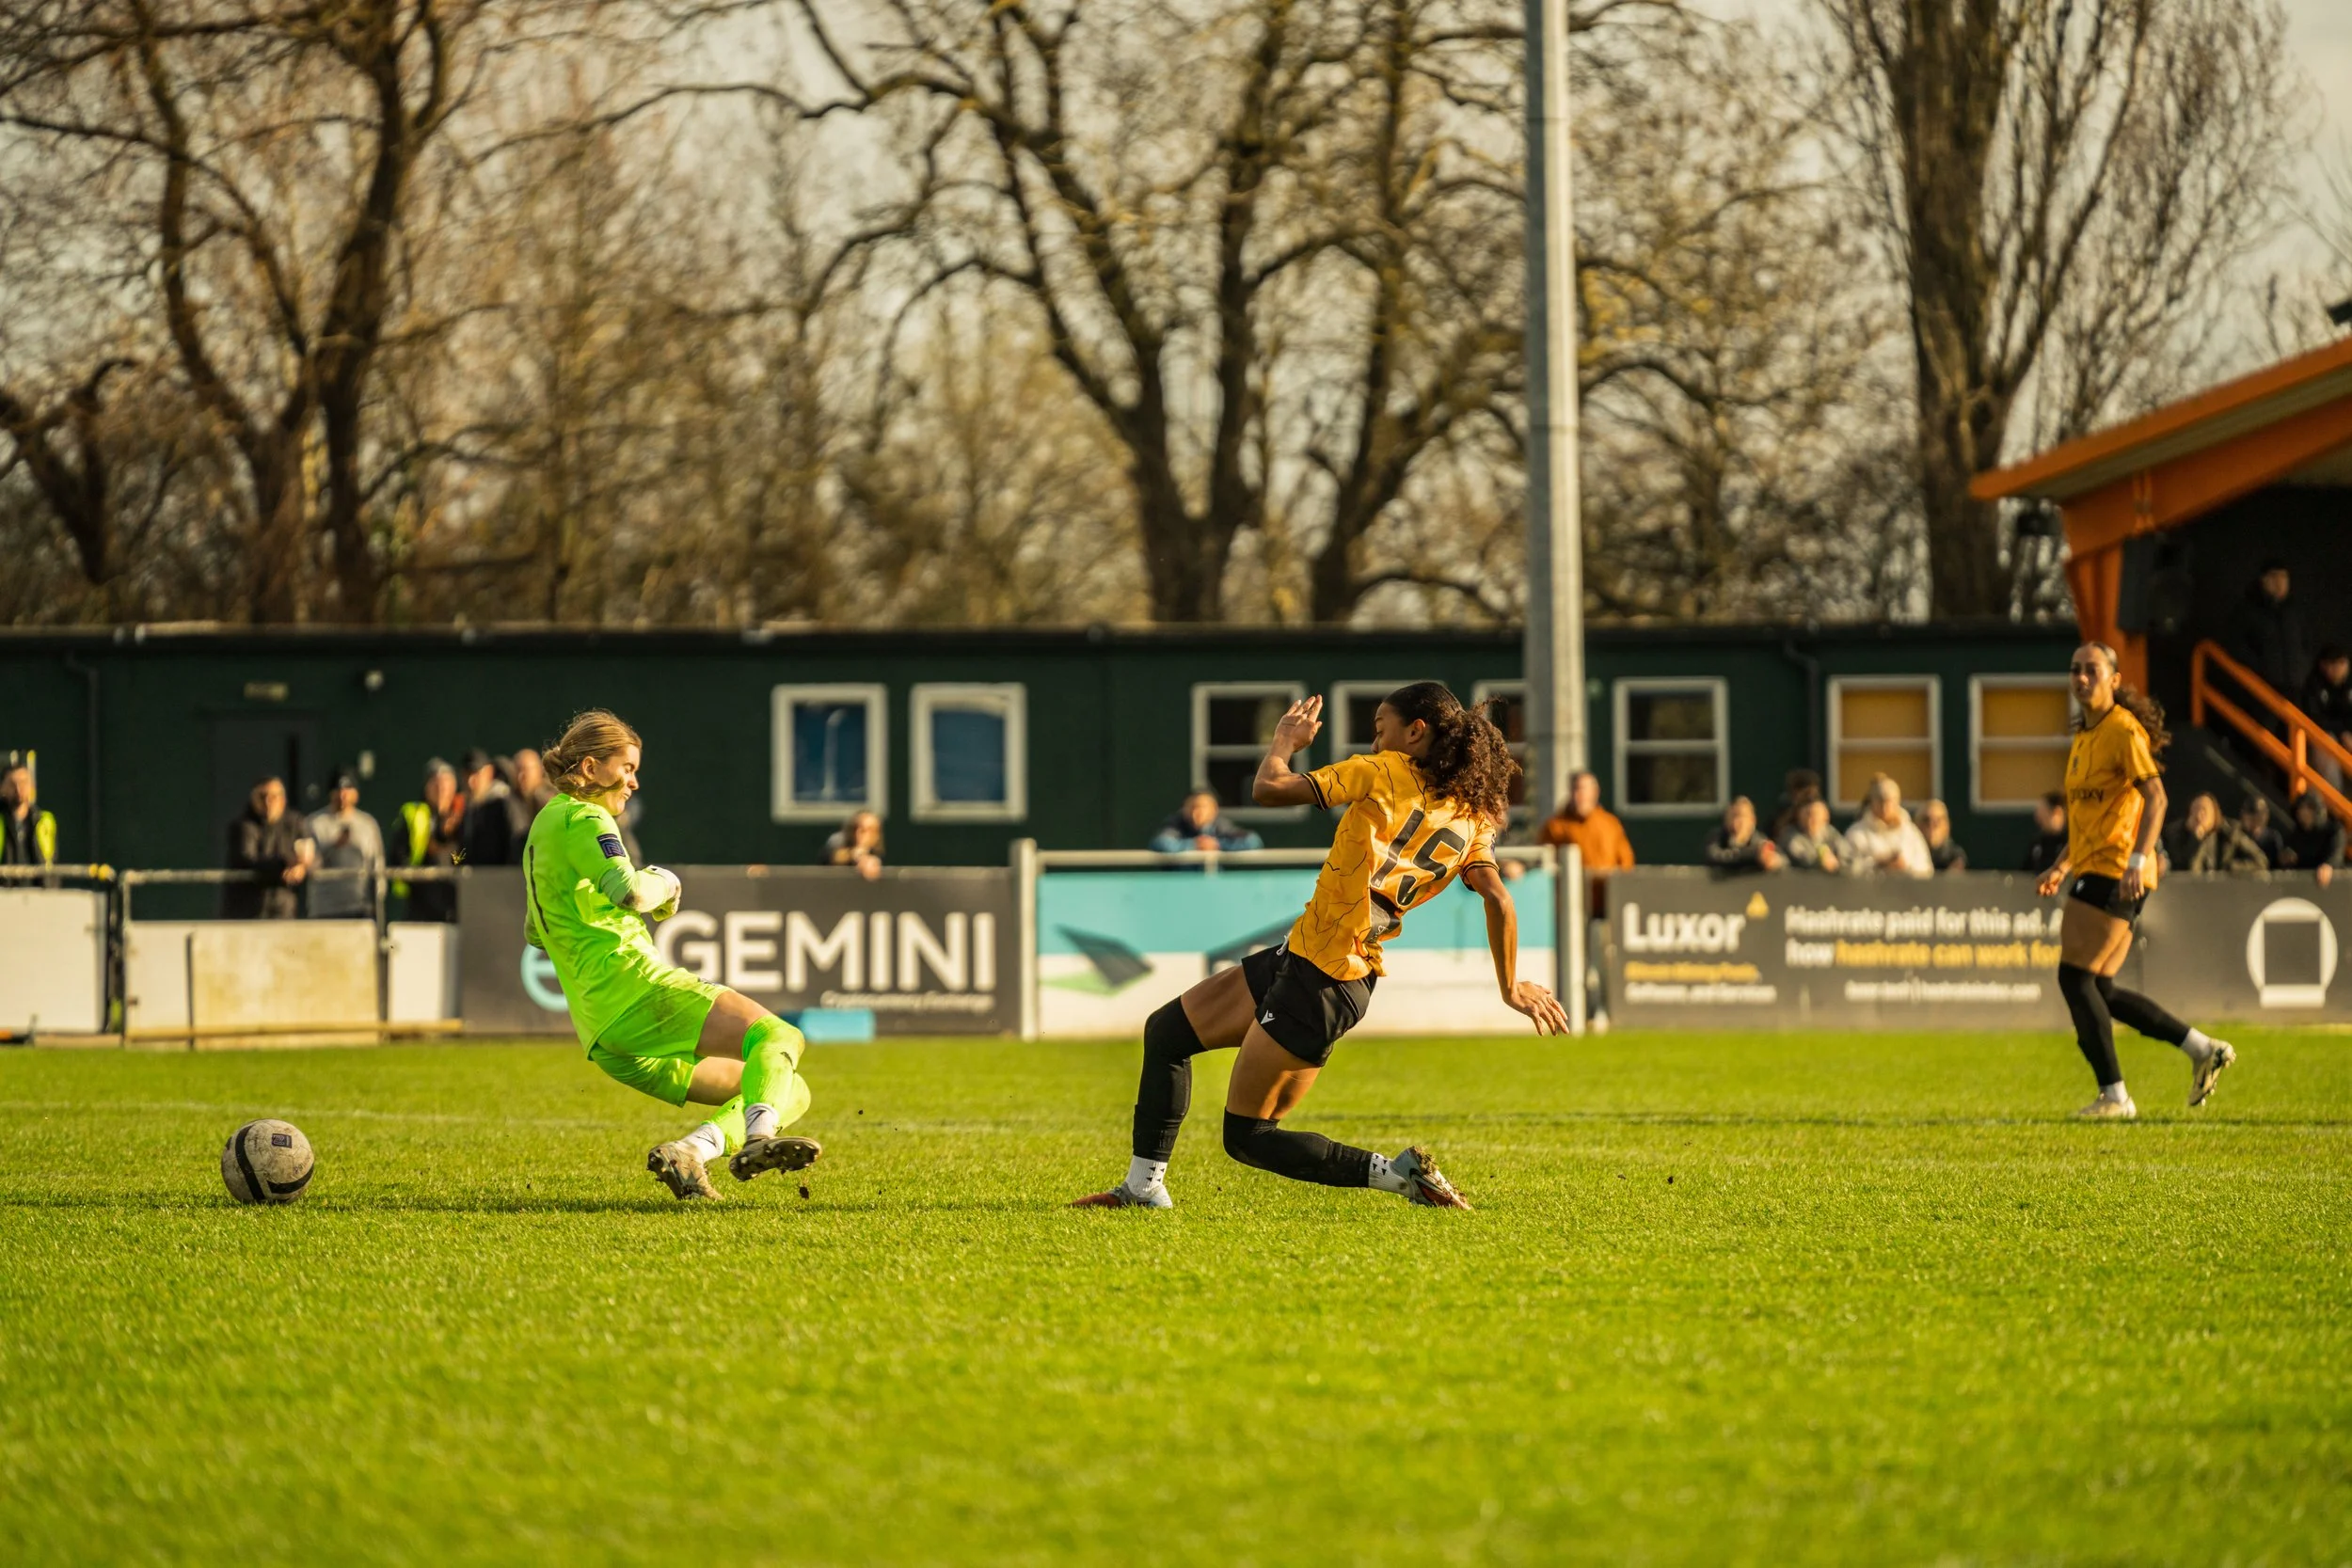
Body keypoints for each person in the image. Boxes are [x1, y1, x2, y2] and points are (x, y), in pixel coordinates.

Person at [1072, 685, 1566, 1212]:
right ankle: (1143, 1189)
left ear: (1416, 731)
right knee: (1167, 1033)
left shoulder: (1380, 772)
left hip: (1323, 980)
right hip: (1314, 962)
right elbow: (1498, 899)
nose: (1375, 741)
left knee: (1248, 1137)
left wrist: (1285, 741)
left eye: (1380, 729)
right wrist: (1510, 987)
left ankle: (1400, 1177)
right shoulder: (1472, 821)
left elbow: (1269, 788)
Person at [526, 709, 821, 1201]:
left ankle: (692, 1151)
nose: (634, 781)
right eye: (627, 768)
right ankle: (758, 1140)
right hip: (636, 991)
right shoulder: (583, 816)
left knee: (790, 1087)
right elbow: (630, 891)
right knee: (778, 1034)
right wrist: (666, 881)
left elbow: (535, 931)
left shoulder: (542, 830)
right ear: (592, 767)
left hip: (603, 1035)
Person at [2038, 642, 2235, 1120]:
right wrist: (2063, 864)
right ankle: (2200, 1048)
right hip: (2097, 866)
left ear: (2114, 678)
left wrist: (2137, 858)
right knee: (2099, 987)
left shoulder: (2122, 730)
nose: (2082, 677)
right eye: (2075, 669)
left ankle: (2115, 1095)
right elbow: (2090, 819)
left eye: (2092, 670)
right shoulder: (2085, 737)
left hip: (2117, 871)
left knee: (2073, 976)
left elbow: (2158, 799)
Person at [1537, 769, 1636, 1031]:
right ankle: (1568, 1013)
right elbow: (1543, 863)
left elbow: (1625, 864)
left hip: (1603, 909)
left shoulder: (1609, 824)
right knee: (1571, 966)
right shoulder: (1556, 825)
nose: (1580, 795)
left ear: (1595, 792)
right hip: (1569, 911)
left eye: (1584, 789)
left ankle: (1601, 1010)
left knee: (1602, 963)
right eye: (1576, 789)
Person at [223, 776, 312, 919]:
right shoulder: (243, 825)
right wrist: (284, 863)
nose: (268, 802)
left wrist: (302, 866)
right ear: (253, 799)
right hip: (248, 911)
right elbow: (247, 859)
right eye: (262, 796)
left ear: (283, 800)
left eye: (274, 797)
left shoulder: (296, 823)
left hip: (284, 909)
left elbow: (313, 856)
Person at [2223, 559, 2309, 701]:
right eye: (2274, 576)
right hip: (2261, 688)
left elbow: (2306, 643)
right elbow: (2235, 644)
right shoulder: (2247, 609)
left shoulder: (2295, 612)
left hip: (2294, 689)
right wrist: (2261, 668)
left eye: (2284, 577)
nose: (2279, 582)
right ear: (2263, 580)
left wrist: (2302, 669)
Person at [305, 768, 385, 919]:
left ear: (356, 793)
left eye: (348, 789)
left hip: (359, 907)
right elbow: (309, 867)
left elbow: (377, 864)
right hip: (325, 909)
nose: (343, 795)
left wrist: (378, 901)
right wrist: (334, 847)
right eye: (338, 790)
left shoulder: (367, 824)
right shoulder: (315, 823)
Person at [399, 759, 466, 922]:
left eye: (446, 785)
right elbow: (399, 858)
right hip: (421, 903)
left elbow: (463, 858)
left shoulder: (464, 815)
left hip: (456, 903)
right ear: (427, 787)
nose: (441, 790)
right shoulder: (413, 813)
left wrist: (451, 851)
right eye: (436, 784)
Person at [1843, 775, 1933, 878]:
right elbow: (1848, 870)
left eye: (1889, 801)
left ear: (1897, 801)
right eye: (1880, 801)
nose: (1885, 807)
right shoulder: (1856, 834)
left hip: (1906, 891)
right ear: (1872, 802)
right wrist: (1880, 864)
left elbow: (1926, 869)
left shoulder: (1911, 833)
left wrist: (1905, 866)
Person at [2161, 792, 2266, 875]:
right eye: (2196, 810)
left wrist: (2231, 868)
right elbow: (2189, 870)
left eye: (2204, 811)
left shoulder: (2229, 832)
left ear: (2214, 815)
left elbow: (2260, 860)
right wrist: (2195, 840)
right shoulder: (2175, 833)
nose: (2199, 816)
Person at [458, 747, 526, 867]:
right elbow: (461, 853)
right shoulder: (466, 810)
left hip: (504, 882)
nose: (470, 781)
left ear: (489, 773)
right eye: (466, 774)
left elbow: (519, 847)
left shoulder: (505, 804)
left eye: (476, 774)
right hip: (474, 883)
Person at [1149, 789, 1264, 853]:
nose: (1196, 812)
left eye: (1202, 807)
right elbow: (1161, 843)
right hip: (1178, 885)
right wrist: (1195, 845)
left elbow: (1253, 841)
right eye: (1192, 807)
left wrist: (1217, 845)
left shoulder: (1221, 826)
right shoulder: (1176, 824)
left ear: (1214, 810)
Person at [2302, 646, 2352, 790]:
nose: (2342, 668)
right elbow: (2315, 719)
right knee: (2327, 742)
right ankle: (2335, 806)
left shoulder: (2348, 684)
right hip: (2318, 737)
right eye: (2337, 663)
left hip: (2344, 734)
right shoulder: (2313, 684)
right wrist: (2342, 733)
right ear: (2325, 665)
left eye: (2344, 663)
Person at [1704, 797, 1784, 873]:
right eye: (1732, 816)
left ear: (1752, 820)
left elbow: (1782, 860)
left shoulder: (1760, 841)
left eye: (1741, 816)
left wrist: (1771, 860)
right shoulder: (1717, 837)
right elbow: (1714, 857)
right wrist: (1753, 855)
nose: (1736, 822)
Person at [2280, 792, 2344, 887]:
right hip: (2301, 885)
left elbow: (2336, 854)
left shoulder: (2334, 831)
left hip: (2327, 883)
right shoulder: (2296, 834)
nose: (2302, 812)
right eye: (2300, 808)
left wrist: (2328, 865)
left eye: (2308, 808)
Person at [1, 762, 56, 868]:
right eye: (12, 784)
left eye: (23, 782)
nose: (18, 789)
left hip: (38, 883)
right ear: (2, 788)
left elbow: (49, 861)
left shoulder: (44, 820)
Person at [1778, 797, 1849, 874]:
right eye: (1808, 813)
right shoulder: (1790, 835)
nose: (1812, 818)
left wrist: (1838, 864)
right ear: (1799, 815)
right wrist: (1821, 861)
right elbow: (1802, 858)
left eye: (1817, 813)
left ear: (1826, 817)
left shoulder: (1831, 832)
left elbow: (1846, 854)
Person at [823, 810, 885, 880]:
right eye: (862, 830)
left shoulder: (876, 851)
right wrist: (857, 856)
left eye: (872, 830)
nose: (867, 835)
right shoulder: (838, 840)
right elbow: (835, 856)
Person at [2021, 792, 2068, 876]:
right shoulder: (2037, 843)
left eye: (2043, 812)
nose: (2038, 818)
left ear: (2056, 812)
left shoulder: (2070, 842)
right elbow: (2025, 872)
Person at [2237, 795, 2286, 871]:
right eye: (2251, 814)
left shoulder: (2272, 838)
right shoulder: (2237, 836)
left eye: (2261, 814)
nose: (2256, 819)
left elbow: (2278, 866)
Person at [1916, 799, 1966, 872]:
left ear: (1946, 826)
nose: (1931, 826)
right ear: (1917, 825)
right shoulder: (1909, 854)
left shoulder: (1954, 856)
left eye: (1938, 821)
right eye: (1926, 820)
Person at [513, 747, 558, 815]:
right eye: (518, 770)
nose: (521, 777)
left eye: (526, 770)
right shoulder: (511, 800)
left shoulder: (549, 800)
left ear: (539, 770)